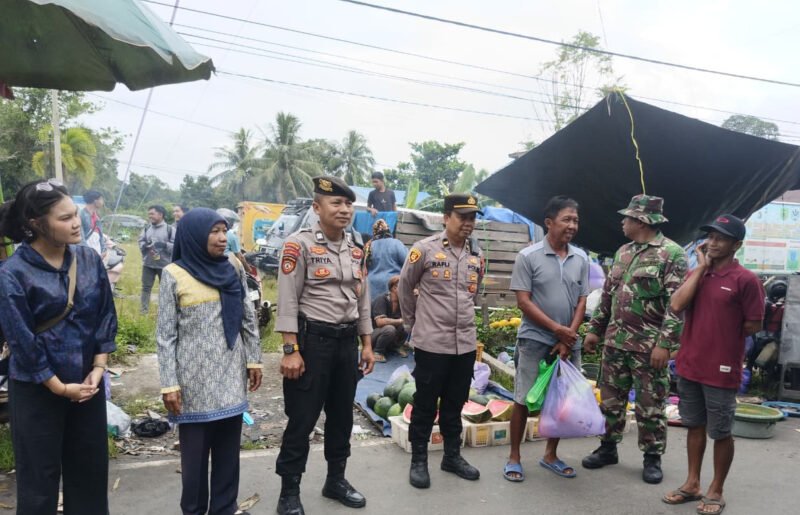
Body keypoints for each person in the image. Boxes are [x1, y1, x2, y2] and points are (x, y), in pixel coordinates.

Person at [0, 179, 117, 514]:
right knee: (39, 482)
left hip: (86, 386)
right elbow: (22, 340)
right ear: (36, 224)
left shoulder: (89, 260)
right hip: (38, 390)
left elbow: (104, 316)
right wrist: (59, 387)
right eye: (64, 218)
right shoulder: (12, 274)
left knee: (90, 477)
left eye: (74, 214)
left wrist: (97, 368)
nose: (76, 222)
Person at [274, 176, 375, 515]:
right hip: (311, 343)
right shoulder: (297, 244)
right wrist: (291, 349)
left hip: (346, 345)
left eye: (348, 204)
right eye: (337, 203)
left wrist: (367, 344)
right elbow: (287, 299)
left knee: (341, 418)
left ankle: (336, 480)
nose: (344, 210)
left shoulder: (357, 246)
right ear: (317, 208)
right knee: (302, 420)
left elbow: (363, 299)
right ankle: (289, 491)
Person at [157, 207, 263, 515]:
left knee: (228, 457)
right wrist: (169, 383)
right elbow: (166, 336)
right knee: (194, 461)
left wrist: (254, 360)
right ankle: (193, 510)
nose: (221, 238)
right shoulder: (173, 274)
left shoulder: (232, 267)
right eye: (213, 232)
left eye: (224, 231)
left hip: (230, 375)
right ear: (194, 236)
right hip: (192, 383)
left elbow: (247, 318)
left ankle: (224, 509)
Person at [582, 194, 688, 484]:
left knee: (650, 404)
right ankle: (607, 449)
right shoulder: (623, 252)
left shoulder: (673, 255)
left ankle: (652, 458)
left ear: (642, 221)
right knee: (610, 402)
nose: (622, 222)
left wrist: (665, 345)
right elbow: (607, 295)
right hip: (615, 343)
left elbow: (676, 306)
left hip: (648, 348)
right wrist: (595, 329)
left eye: (627, 218)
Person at [662, 215, 764, 514]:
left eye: (721, 237)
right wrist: (702, 268)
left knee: (720, 431)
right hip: (689, 364)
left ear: (737, 245)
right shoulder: (698, 274)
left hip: (721, 369)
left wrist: (720, 339)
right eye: (710, 236)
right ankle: (692, 483)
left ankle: (716, 489)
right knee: (694, 425)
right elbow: (677, 305)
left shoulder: (746, 280)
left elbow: (753, 325)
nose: (713, 242)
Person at [399, 193, 484, 489]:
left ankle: (452, 456)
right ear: (446, 217)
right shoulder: (423, 249)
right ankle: (419, 460)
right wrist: (412, 326)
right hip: (432, 344)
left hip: (465, 344)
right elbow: (405, 288)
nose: (468, 223)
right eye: (463, 217)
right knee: (424, 404)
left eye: (473, 218)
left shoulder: (477, 255)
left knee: (455, 403)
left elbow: (474, 294)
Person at [503, 196, 589, 482]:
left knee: (561, 401)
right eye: (567, 219)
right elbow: (524, 303)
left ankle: (550, 454)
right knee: (523, 399)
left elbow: (581, 301)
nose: (572, 225)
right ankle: (514, 457)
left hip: (568, 341)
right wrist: (557, 330)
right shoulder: (527, 257)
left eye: (575, 220)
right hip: (534, 339)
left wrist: (568, 337)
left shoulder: (581, 258)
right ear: (549, 223)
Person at [138, 204, 175, 314]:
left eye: (152, 214)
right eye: (149, 214)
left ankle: (164, 312)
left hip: (165, 265)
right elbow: (140, 241)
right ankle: (143, 311)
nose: (150, 216)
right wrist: (144, 245)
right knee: (146, 288)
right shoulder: (146, 228)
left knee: (165, 290)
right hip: (148, 264)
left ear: (160, 215)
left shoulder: (170, 229)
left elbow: (176, 246)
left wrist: (164, 245)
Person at [364, 218, 407, 302]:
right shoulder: (396, 243)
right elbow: (408, 263)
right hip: (392, 286)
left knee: (374, 312)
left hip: (371, 287)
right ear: (388, 230)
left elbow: (364, 267)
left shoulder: (368, 246)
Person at [370, 275, 408, 362]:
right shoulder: (382, 299)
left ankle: (395, 346)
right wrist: (400, 321)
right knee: (390, 329)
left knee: (407, 326)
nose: (407, 290)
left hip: (388, 334)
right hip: (373, 335)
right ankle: (377, 352)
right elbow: (380, 322)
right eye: (404, 287)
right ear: (394, 288)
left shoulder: (402, 302)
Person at [80, 189, 106, 256]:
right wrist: (88, 254)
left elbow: (100, 235)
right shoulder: (81, 215)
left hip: (96, 253)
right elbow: (81, 238)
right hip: (86, 255)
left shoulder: (97, 217)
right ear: (95, 201)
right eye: (101, 199)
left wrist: (103, 249)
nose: (102, 202)